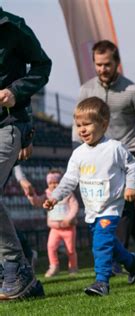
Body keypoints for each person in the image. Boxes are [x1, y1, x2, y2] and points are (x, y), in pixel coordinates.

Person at [74, 40, 135, 272]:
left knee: (123, 206)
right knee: (123, 209)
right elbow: (77, 125)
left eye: (107, 64)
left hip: (129, 153)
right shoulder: (86, 90)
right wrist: (76, 156)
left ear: (117, 63)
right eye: (98, 64)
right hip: (99, 156)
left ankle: (117, 261)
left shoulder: (132, 91)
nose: (102, 69)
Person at [44, 97, 135, 296]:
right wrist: (55, 197)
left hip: (111, 207)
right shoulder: (78, 154)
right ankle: (132, 262)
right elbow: (69, 179)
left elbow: (133, 166)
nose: (82, 129)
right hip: (92, 209)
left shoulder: (114, 148)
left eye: (87, 124)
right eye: (79, 125)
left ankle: (102, 282)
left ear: (103, 124)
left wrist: (131, 187)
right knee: (107, 243)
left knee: (100, 243)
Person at [0, 7, 51, 300]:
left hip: (8, 123)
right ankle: (19, 264)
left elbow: (43, 66)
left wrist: (16, 91)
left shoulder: (14, 27)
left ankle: (16, 266)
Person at [26, 169, 79, 278]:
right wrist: (31, 195)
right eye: (51, 183)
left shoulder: (68, 194)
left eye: (56, 182)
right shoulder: (47, 194)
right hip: (54, 228)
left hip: (68, 227)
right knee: (51, 247)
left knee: (70, 249)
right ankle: (54, 266)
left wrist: (69, 218)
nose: (53, 185)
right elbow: (38, 201)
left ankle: (73, 267)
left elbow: (74, 206)